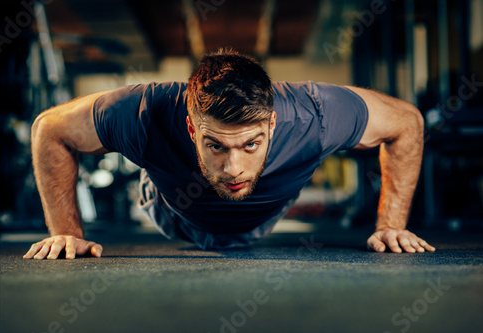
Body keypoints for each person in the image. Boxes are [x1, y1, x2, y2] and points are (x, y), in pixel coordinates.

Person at [23, 49, 435, 260]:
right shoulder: (144, 111)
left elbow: (406, 122)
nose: (233, 167)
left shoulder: (317, 114)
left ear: (272, 125)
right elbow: (49, 131)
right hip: (172, 213)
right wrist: (67, 234)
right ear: (191, 127)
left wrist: (391, 225)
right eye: (216, 144)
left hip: (263, 219)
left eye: (250, 144)